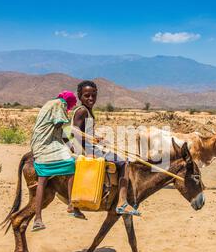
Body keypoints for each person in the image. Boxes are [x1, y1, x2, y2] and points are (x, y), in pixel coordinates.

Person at [71, 80, 141, 216]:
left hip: (91, 147)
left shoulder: (88, 111)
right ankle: (121, 202)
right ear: (79, 96)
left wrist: (99, 138)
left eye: (93, 95)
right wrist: (90, 143)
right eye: (87, 95)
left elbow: (86, 132)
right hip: (87, 151)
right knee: (124, 163)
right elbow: (74, 131)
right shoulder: (82, 111)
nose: (91, 98)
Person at [30, 90, 84, 232]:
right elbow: (66, 129)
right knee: (72, 165)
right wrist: (75, 144)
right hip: (48, 144)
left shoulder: (49, 104)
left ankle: (38, 219)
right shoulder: (59, 105)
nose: (69, 108)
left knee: (42, 179)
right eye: (70, 105)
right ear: (68, 102)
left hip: (38, 145)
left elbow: (59, 129)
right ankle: (72, 204)